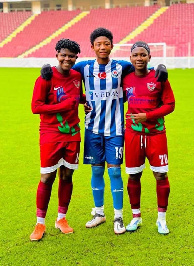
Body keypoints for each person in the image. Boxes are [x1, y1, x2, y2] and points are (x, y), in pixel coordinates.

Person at [41, 28, 168, 235]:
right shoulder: (83, 68)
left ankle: (118, 216)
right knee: (97, 170)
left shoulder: (122, 67)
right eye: (98, 44)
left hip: (116, 129)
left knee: (115, 171)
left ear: (111, 45)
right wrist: (46, 67)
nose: (102, 47)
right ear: (92, 47)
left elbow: (142, 66)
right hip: (92, 129)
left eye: (106, 43)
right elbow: (64, 69)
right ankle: (99, 213)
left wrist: (160, 67)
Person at [30, 38, 85, 241]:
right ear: (57, 55)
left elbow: (78, 97)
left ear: (76, 58)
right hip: (51, 134)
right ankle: (40, 223)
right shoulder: (45, 78)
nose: (67, 59)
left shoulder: (77, 76)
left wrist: (85, 102)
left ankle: (61, 218)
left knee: (67, 176)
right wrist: (62, 107)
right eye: (64, 55)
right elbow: (36, 107)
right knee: (47, 177)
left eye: (71, 56)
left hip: (72, 133)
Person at [123, 41, 175, 234]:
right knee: (134, 175)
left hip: (156, 134)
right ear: (130, 58)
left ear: (149, 58)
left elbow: (170, 105)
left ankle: (161, 220)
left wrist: (148, 115)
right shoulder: (125, 78)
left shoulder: (159, 77)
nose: (139, 58)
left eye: (143, 55)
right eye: (135, 55)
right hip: (133, 134)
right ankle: (136, 217)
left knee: (160, 175)